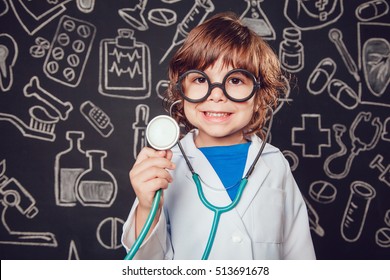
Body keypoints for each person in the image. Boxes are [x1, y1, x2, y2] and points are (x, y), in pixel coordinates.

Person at [121, 12, 316, 260]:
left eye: (234, 80)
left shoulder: (275, 164)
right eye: (201, 79)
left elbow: (299, 255)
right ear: (181, 92)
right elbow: (147, 265)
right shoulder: (164, 166)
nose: (216, 95)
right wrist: (148, 207)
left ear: (259, 97)